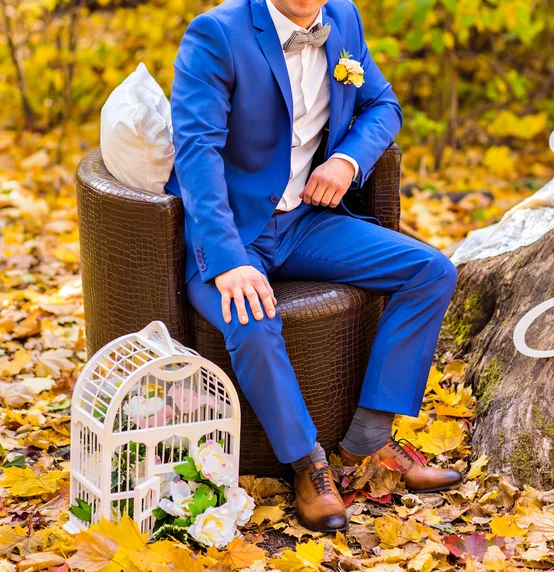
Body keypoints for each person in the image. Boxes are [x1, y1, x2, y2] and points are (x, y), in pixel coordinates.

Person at [164, 0, 462, 533]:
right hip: (234, 233)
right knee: (251, 320)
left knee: (432, 271)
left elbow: (383, 105)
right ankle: (309, 466)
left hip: (308, 222)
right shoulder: (216, 33)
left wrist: (347, 160)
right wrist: (229, 260)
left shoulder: (343, 19)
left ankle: (368, 444)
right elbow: (196, 152)